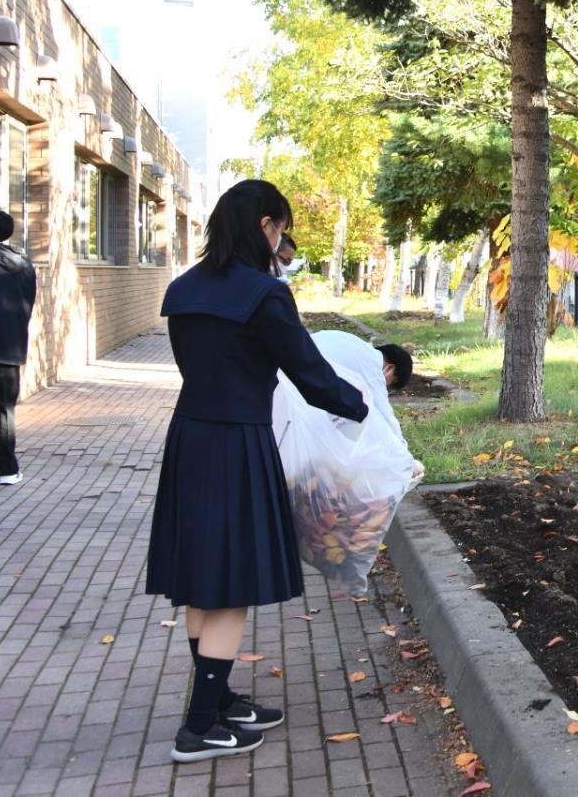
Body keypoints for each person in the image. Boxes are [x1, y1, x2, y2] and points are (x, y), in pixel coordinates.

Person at [147, 180, 369, 763]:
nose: (281, 240)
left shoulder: (182, 290)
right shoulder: (263, 294)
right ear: (266, 225)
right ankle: (199, 727)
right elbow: (309, 372)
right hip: (238, 445)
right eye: (281, 228)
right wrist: (361, 404)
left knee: (204, 579)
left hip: (190, 437)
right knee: (230, 588)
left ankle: (218, 703)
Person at [0, 210, 36, 487]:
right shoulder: (24, 265)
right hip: (9, 348)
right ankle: (8, 471)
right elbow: (28, 305)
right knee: (4, 411)